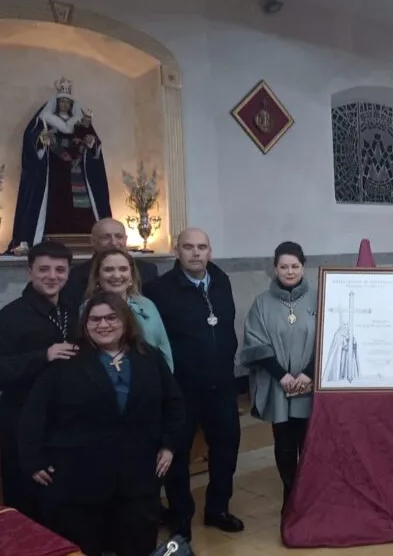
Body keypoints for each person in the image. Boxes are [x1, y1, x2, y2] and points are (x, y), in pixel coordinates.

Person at [18, 292, 184, 556]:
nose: (103, 325)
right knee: (86, 546)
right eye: (94, 320)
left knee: (138, 543)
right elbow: (34, 414)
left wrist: (169, 445)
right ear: (85, 325)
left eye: (111, 318)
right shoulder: (67, 362)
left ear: (126, 321)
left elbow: (174, 404)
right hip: (82, 476)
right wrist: (33, 459)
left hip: (138, 472)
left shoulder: (149, 357)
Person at [144, 228, 243, 540]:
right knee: (178, 454)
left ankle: (217, 509)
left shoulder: (221, 280)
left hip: (223, 384)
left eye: (202, 247)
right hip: (181, 388)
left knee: (226, 448)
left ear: (210, 251)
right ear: (177, 251)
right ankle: (181, 516)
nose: (196, 253)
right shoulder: (159, 289)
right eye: (189, 247)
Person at [0, 240, 78, 522]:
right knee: (28, 502)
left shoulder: (71, 310)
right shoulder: (5, 319)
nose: (52, 276)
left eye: (60, 270)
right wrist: (43, 356)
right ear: (30, 272)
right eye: (44, 269)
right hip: (22, 421)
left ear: (68, 272)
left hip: (64, 420)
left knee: (64, 499)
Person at [240, 242, 316, 509]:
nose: (290, 271)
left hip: (311, 385)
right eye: (283, 266)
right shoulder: (262, 303)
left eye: (295, 266)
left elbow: (329, 337)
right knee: (284, 443)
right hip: (278, 386)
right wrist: (282, 375)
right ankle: (290, 493)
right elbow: (254, 342)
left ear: (303, 267)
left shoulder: (320, 298)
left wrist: (309, 374)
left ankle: (309, 494)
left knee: (310, 443)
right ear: (275, 268)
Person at [8, 78, 112, 250]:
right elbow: (31, 141)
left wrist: (90, 142)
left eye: (67, 101)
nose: (64, 104)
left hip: (75, 170)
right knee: (52, 201)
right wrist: (42, 139)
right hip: (52, 171)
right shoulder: (44, 120)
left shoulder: (80, 122)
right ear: (57, 103)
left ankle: (84, 233)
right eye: (62, 101)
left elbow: (94, 145)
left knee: (79, 203)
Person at [84, 248, 173, 370]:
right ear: (98, 276)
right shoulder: (88, 308)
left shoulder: (146, 304)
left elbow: (163, 346)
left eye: (123, 269)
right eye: (109, 270)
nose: (116, 275)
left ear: (131, 276)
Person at [63, 218, 161, 309]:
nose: (113, 242)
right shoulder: (75, 275)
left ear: (125, 240)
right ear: (93, 241)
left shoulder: (147, 270)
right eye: (106, 237)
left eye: (119, 237)